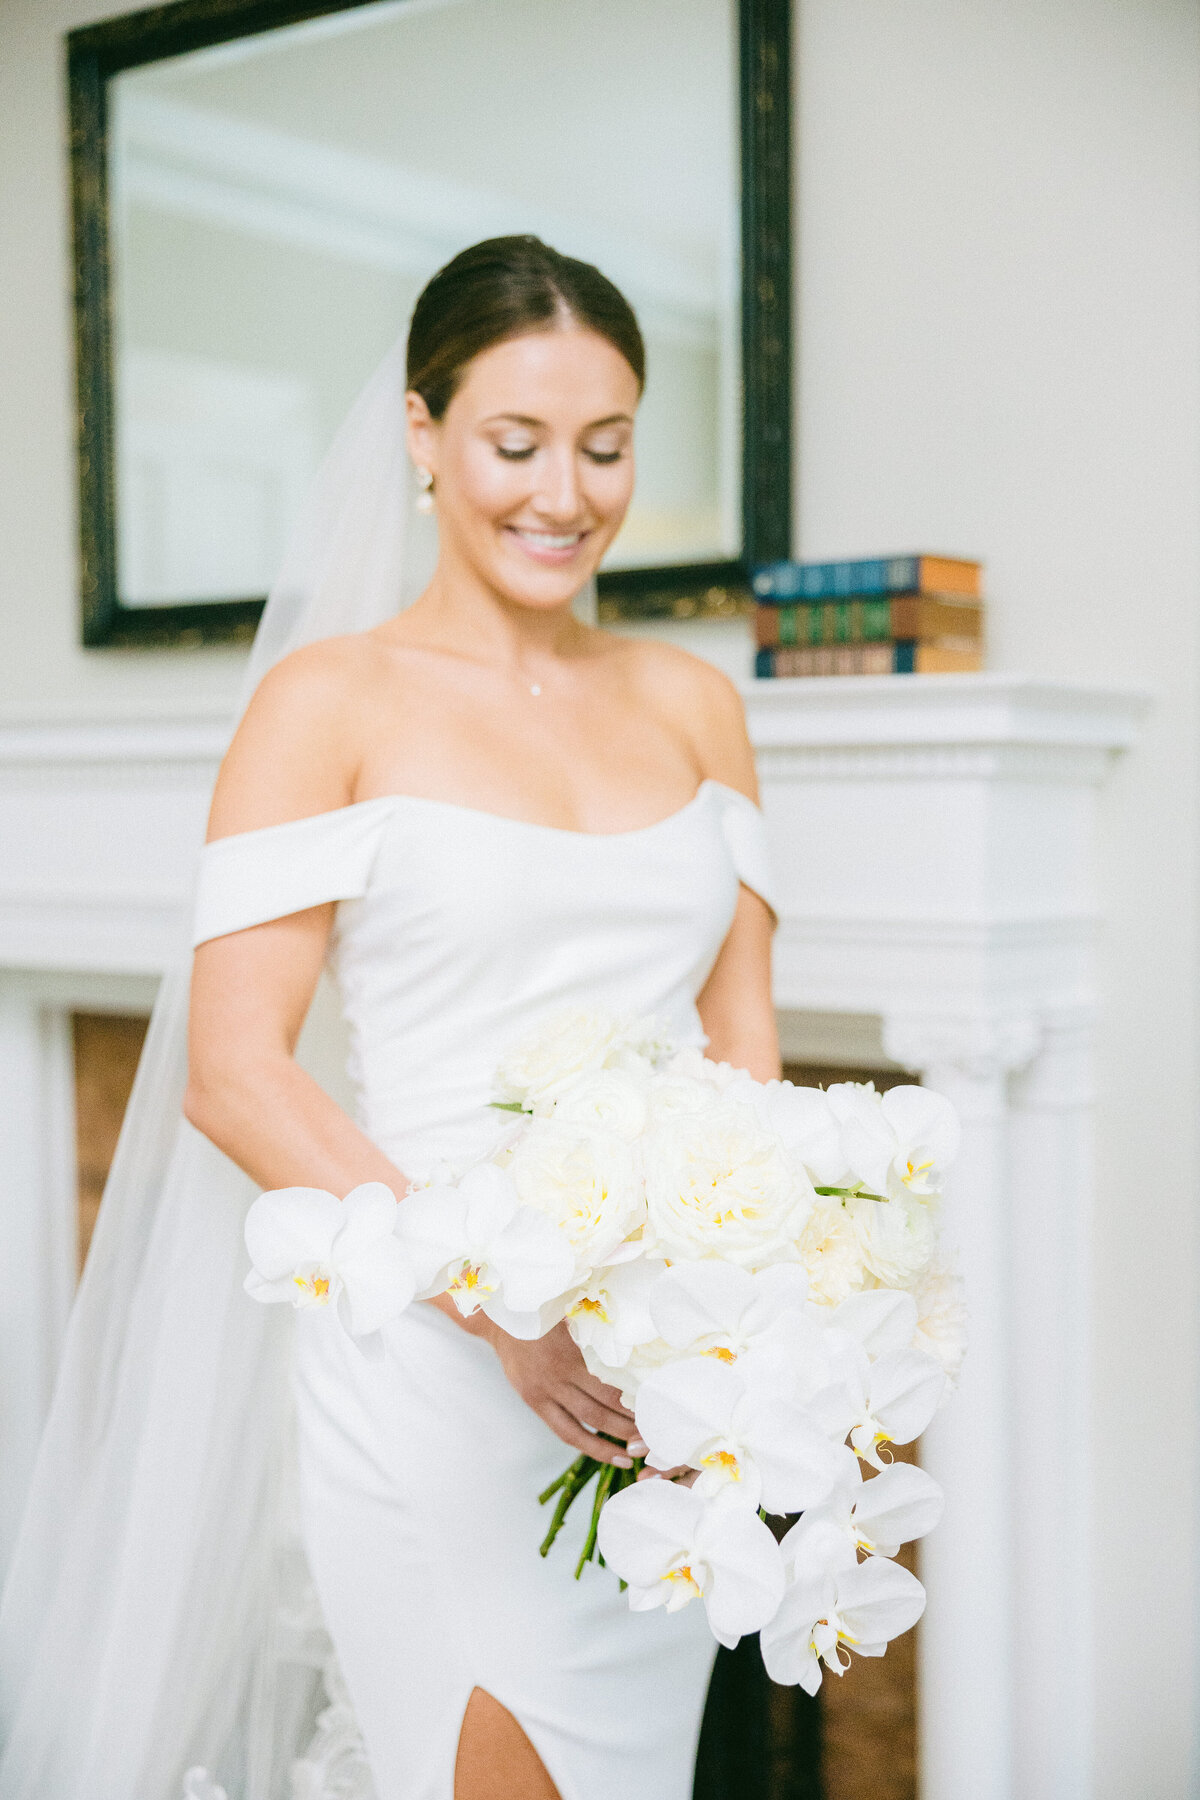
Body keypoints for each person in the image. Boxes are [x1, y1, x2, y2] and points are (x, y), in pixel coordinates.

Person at [0, 236, 777, 1800]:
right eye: (515, 443)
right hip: (435, 1355)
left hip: (652, 1386)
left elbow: (744, 1046)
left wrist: (750, 1336)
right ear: (422, 437)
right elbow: (232, 1073)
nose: (566, 491)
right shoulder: (326, 702)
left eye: (607, 446)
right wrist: (508, 1307)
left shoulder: (700, 704)